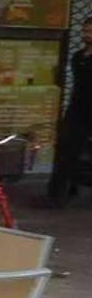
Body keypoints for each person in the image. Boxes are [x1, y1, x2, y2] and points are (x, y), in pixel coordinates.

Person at [46, 18, 92, 208]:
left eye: (90, 31)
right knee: (66, 148)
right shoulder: (78, 56)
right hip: (78, 109)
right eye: (85, 31)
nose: (87, 35)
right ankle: (59, 192)